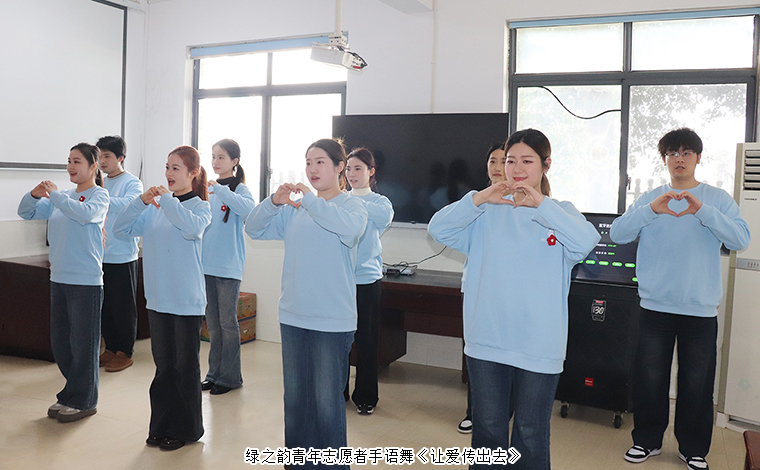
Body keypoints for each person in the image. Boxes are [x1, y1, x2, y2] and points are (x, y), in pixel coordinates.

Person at [428, 129, 599, 469]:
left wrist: (542, 205)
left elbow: (585, 243)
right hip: (487, 339)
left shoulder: (560, 212)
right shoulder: (485, 211)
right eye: (510, 161)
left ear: (546, 165)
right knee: (488, 431)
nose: (517, 169)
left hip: (539, 344)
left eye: (527, 161)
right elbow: (439, 229)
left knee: (531, 433)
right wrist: (479, 198)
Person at [611, 128, 750, 470]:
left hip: (699, 309)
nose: (680, 159)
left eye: (687, 152)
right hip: (654, 307)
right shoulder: (650, 198)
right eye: (673, 153)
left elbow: (740, 240)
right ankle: (647, 441)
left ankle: (693, 449)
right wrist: (650, 210)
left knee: (697, 384)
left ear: (698, 158)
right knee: (649, 379)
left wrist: (702, 211)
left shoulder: (716, 199)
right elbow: (618, 234)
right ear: (664, 159)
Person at [245, 138, 367, 467]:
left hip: (332, 320)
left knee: (327, 404)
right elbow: (253, 228)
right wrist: (273, 202)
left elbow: (349, 230)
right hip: (294, 316)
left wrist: (310, 201)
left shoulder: (352, 207)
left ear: (340, 167)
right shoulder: (294, 211)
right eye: (308, 162)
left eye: (320, 162)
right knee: (296, 401)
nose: (312, 169)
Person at [113, 145, 211, 451]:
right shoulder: (155, 208)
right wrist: (141, 202)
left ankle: (187, 429)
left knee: (185, 368)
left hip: (186, 301)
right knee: (164, 367)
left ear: (193, 173)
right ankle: (161, 425)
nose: (168, 173)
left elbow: (191, 229)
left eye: (176, 168)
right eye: (167, 167)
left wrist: (167, 200)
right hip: (158, 300)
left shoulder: (199, 208)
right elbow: (121, 228)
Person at [18, 143, 109, 422]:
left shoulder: (99, 195)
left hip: (86, 282)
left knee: (83, 345)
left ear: (93, 166)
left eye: (77, 161)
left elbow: (84, 214)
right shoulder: (64, 197)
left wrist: (55, 195)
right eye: (69, 161)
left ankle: (85, 400)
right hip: (58, 278)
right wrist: (34, 195)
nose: (70, 166)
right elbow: (26, 212)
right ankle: (72, 393)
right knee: (61, 344)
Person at [458, 141, 507, 434]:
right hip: (476, 289)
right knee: (477, 355)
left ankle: (504, 411)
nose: (498, 167)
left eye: (504, 161)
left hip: (506, 293)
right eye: (493, 161)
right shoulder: (477, 201)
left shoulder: (526, 202)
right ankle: (474, 412)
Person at [201, 139, 255, 395]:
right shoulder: (206, 188)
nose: (215, 161)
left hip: (229, 266)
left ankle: (231, 377)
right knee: (212, 323)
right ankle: (214, 374)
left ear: (234, 161)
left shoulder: (239, 189)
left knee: (227, 323)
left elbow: (248, 211)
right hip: (206, 265)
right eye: (213, 156)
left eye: (221, 157)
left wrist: (221, 190)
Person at [343, 147, 394, 415]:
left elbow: (383, 218)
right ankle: (338, 391)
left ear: (371, 171)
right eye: (348, 169)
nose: (351, 174)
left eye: (358, 169)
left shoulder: (380, 203)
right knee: (339, 339)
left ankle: (366, 397)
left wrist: (349, 200)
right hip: (341, 279)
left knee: (366, 340)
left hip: (367, 280)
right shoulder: (339, 199)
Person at [96, 135, 143, 373]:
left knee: (123, 307)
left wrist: (99, 198)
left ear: (121, 158)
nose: (102, 161)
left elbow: (129, 205)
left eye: (107, 156)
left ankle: (125, 352)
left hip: (123, 255)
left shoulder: (132, 183)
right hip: (100, 254)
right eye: (99, 156)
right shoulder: (100, 183)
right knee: (105, 306)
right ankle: (111, 349)